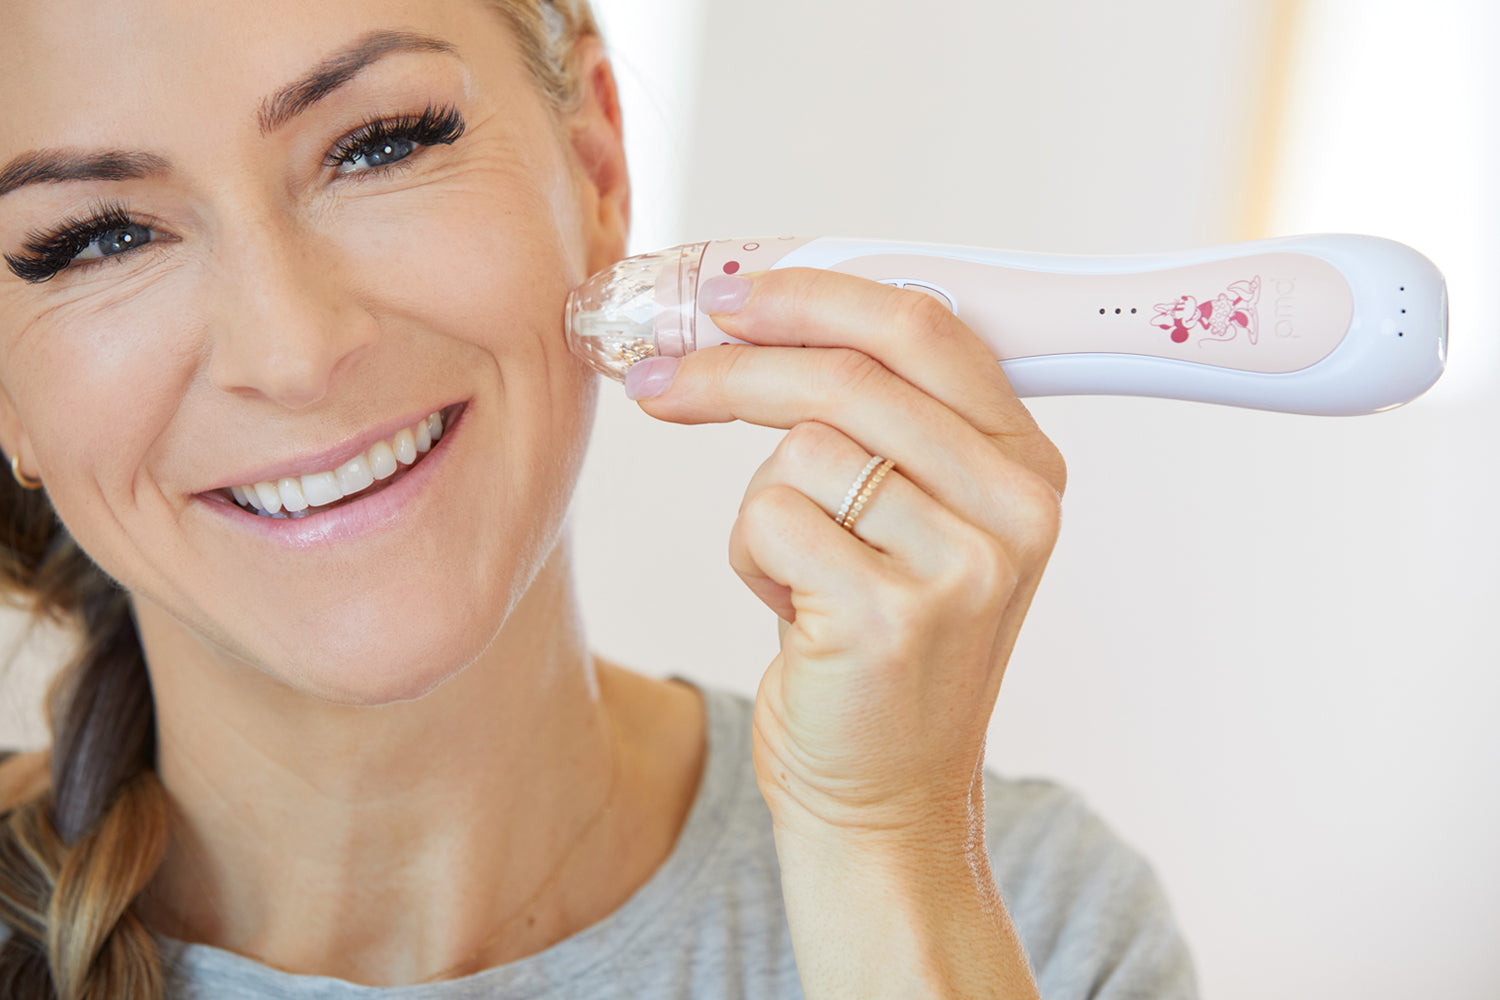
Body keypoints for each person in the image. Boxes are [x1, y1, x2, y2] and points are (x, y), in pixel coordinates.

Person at [0, 1, 1198, 997]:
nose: (294, 348)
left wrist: (883, 855)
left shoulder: (1039, 920)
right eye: (99, 239)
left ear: (596, 166)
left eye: (378, 144)